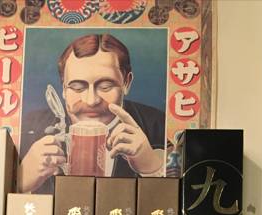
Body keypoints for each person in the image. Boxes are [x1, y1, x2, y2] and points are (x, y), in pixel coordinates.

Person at [19, 33, 167, 194]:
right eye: (77, 87)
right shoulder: (29, 126)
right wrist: (22, 181)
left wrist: (152, 166)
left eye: (105, 86)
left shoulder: (157, 124)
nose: (91, 101)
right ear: (63, 88)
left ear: (126, 82)